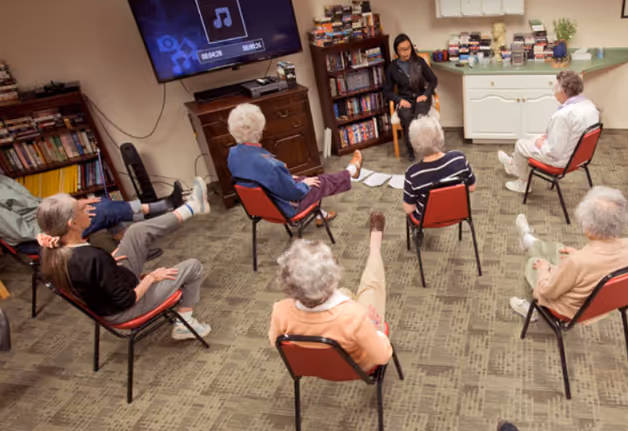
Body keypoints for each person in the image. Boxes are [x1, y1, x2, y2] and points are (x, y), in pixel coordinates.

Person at [36, 177, 212, 339]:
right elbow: (127, 300)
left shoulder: (53, 251)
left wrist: (109, 264)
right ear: (72, 224)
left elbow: (93, 275)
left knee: (136, 231)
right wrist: (151, 277)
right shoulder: (93, 258)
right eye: (82, 210)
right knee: (193, 266)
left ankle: (191, 208)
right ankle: (184, 323)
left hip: (114, 282)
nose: (90, 210)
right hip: (126, 308)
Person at [268, 212, 392, 372]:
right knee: (372, 286)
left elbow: (275, 342)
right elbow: (382, 356)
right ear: (330, 279)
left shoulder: (280, 310)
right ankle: (375, 248)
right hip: (357, 367)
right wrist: (376, 329)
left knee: (345, 292)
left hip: (310, 366)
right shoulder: (355, 316)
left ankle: (373, 253)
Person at [508, 186, 628, 322]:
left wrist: (543, 270)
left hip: (570, 308)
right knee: (559, 249)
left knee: (533, 262)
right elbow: (600, 263)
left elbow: (547, 291)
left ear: (590, 230)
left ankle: (529, 309)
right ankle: (529, 241)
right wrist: (578, 254)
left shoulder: (578, 261)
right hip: (599, 300)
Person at [226, 103, 362, 225]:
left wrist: (287, 177)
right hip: (285, 207)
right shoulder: (272, 166)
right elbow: (294, 193)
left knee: (302, 178)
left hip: (259, 207)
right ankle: (351, 171)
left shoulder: (233, 154)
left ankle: (321, 215)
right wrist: (303, 184)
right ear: (259, 130)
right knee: (319, 181)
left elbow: (256, 177)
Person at [0, 173, 183, 249]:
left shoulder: (2, 179)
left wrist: (74, 205)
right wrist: (67, 216)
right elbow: (20, 231)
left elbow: (37, 204)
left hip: (49, 218)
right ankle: (163, 207)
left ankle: (129, 244)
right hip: (42, 236)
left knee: (97, 201)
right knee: (101, 212)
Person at [498, 70, 599, 193]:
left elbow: (553, 153)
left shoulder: (564, 115)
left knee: (521, 144)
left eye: (555, 88)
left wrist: (541, 145)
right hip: (580, 157)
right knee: (533, 139)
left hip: (561, 161)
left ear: (563, 92)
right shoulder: (591, 107)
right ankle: (512, 164)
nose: (553, 91)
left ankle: (522, 181)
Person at [402, 115, 476, 222]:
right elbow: (472, 187)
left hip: (426, 219)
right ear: (441, 135)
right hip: (458, 212)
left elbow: (409, 208)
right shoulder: (459, 158)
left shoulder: (413, 173)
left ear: (415, 144)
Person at [384, 33, 438, 161]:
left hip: (421, 97)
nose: (406, 52)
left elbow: (433, 80)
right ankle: (411, 150)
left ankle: (425, 148)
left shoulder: (419, 61)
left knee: (419, 117)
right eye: (403, 49)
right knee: (406, 117)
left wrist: (426, 94)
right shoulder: (392, 68)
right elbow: (387, 91)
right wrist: (399, 100)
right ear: (396, 51)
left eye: (408, 48)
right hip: (405, 99)